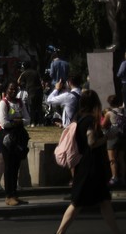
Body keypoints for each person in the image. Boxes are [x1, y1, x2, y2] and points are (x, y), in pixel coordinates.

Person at [55, 90, 121, 234]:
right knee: (78, 203)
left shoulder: (79, 118)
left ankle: (116, 231)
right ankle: (60, 232)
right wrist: (107, 137)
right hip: (91, 167)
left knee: (104, 201)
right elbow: (91, 142)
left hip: (85, 166)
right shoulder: (90, 120)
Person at [0, 82, 29, 206]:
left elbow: (28, 119)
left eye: (15, 89)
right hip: (7, 137)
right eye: (11, 89)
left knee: (16, 166)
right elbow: (4, 122)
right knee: (9, 166)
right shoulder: (3, 103)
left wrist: (18, 121)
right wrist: (17, 121)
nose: (13, 91)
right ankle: (8, 195)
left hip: (19, 137)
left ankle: (15, 194)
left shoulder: (20, 103)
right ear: (6, 90)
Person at [103, 94, 125, 187]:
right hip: (123, 136)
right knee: (122, 159)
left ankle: (114, 177)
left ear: (110, 103)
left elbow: (104, 125)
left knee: (112, 159)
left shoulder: (109, 113)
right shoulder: (123, 111)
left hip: (113, 137)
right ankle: (124, 178)